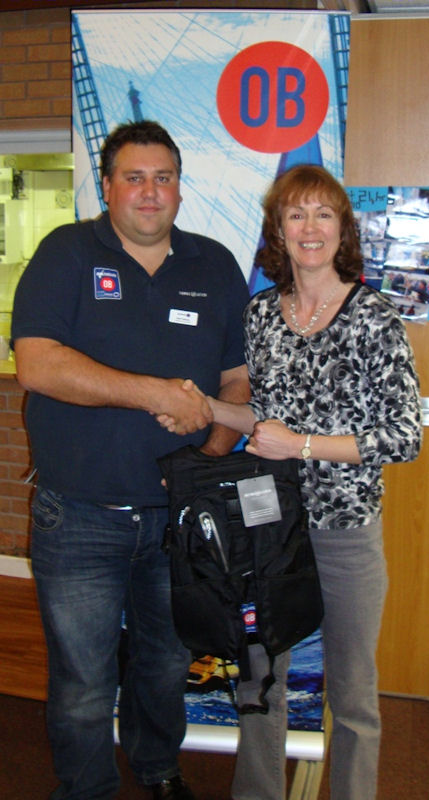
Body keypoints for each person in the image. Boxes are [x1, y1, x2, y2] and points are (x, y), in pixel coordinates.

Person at [160, 164, 422, 800]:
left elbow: (404, 436)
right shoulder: (261, 315)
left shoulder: (375, 318)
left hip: (344, 533)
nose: (310, 228)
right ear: (279, 229)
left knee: (355, 694)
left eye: (323, 214)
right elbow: (262, 419)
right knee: (258, 682)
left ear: (341, 229)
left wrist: (303, 445)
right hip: (267, 526)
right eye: (296, 214)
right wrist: (203, 407)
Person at [11, 120, 250, 800]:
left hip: (180, 518)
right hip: (80, 512)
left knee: (166, 663)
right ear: (109, 187)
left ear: (180, 189)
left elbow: (237, 378)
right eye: (135, 177)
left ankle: (158, 768)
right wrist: (156, 394)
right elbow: (38, 364)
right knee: (84, 678)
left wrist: (209, 448)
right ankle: (86, 788)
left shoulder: (214, 264)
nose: (150, 193)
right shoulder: (67, 253)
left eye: (164, 178)